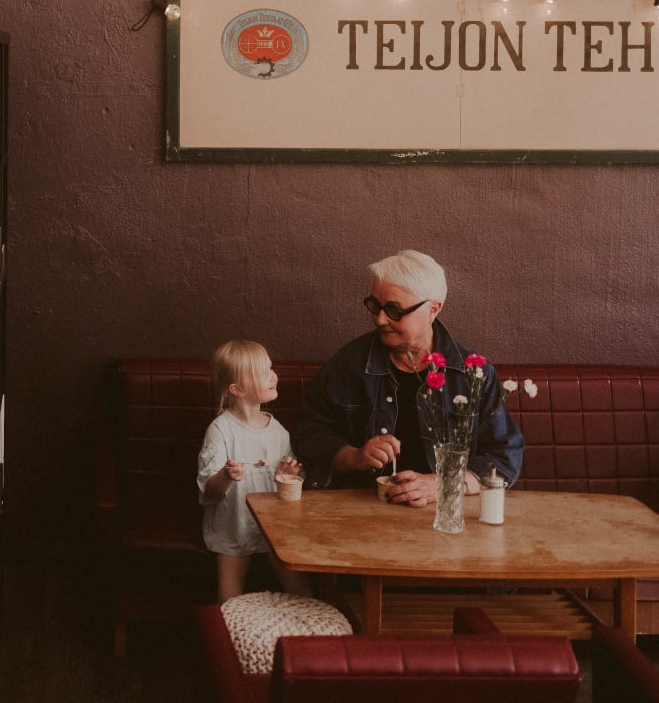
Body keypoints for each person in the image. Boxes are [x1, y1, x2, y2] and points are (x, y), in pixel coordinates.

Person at [293, 249, 524, 506]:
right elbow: (309, 434)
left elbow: (504, 455)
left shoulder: (472, 372)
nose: (380, 319)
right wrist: (353, 456)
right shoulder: (348, 364)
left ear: (433, 309)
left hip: (447, 515)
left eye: (394, 310)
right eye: (375, 306)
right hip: (363, 511)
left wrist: (446, 484)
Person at [197, 339, 312, 603]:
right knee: (229, 597)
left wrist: (286, 474)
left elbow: (292, 487)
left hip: (273, 528)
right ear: (237, 389)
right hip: (232, 526)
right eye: (262, 372)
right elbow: (208, 490)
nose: (273, 376)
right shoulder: (221, 431)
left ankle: (302, 634)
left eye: (271, 368)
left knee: (301, 590)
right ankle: (230, 640)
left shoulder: (277, 430)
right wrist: (226, 476)